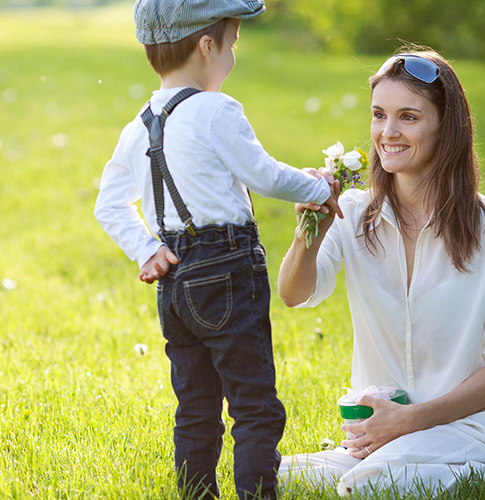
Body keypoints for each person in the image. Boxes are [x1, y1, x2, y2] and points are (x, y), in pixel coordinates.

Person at [275, 48, 485, 496]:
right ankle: (405, 468)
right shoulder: (354, 214)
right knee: (275, 474)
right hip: (383, 436)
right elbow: (294, 293)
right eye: (379, 115)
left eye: (409, 118)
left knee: (373, 485)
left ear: (447, 128)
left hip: (472, 427)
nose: (387, 133)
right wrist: (310, 228)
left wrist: (409, 421)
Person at [93, 1, 341, 498]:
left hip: (174, 280)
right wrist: (320, 188)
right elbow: (264, 175)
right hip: (227, 270)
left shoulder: (138, 125)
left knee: (197, 406)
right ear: (208, 46)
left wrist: (147, 249)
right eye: (232, 46)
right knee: (254, 406)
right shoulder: (216, 110)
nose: (232, 57)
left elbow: (109, 204)